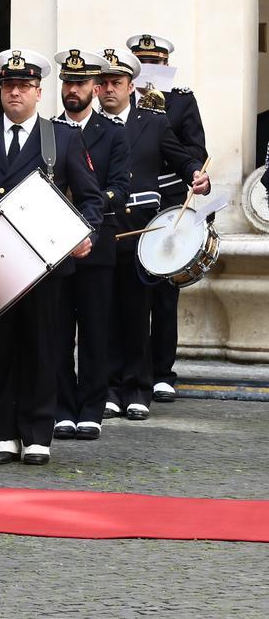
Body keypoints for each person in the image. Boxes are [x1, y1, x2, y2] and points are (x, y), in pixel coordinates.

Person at [0, 48, 103, 466]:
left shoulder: (60, 138)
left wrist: (86, 234)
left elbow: (91, 197)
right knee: (5, 349)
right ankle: (7, 433)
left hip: (45, 263)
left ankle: (37, 434)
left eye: (24, 86)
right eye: (9, 86)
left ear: (37, 91)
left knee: (44, 348)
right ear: (1, 90)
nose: (15, 92)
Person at [96, 46, 208, 421]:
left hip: (142, 232)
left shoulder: (153, 122)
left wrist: (197, 174)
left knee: (137, 312)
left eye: (117, 82)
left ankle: (138, 388)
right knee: (105, 314)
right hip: (103, 232)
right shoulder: (88, 127)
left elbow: (182, 157)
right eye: (104, 82)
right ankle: (109, 388)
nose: (109, 89)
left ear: (132, 86)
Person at [126, 33, 208, 404]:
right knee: (129, 293)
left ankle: (162, 372)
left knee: (164, 293)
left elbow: (196, 150)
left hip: (169, 200)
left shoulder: (181, 101)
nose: (149, 71)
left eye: (155, 64)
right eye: (142, 64)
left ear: (164, 66)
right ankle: (133, 371)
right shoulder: (121, 100)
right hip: (132, 203)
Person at [51, 49, 129, 441]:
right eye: (67, 83)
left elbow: (119, 188)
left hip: (96, 245)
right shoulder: (49, 131)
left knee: (97, 331)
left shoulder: (113, 133)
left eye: (80, 84)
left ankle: (92, 409)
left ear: (95, 89)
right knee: (59, 330)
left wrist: (85, 208)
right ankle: (63, 407)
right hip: (53, 246)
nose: (72, 90)